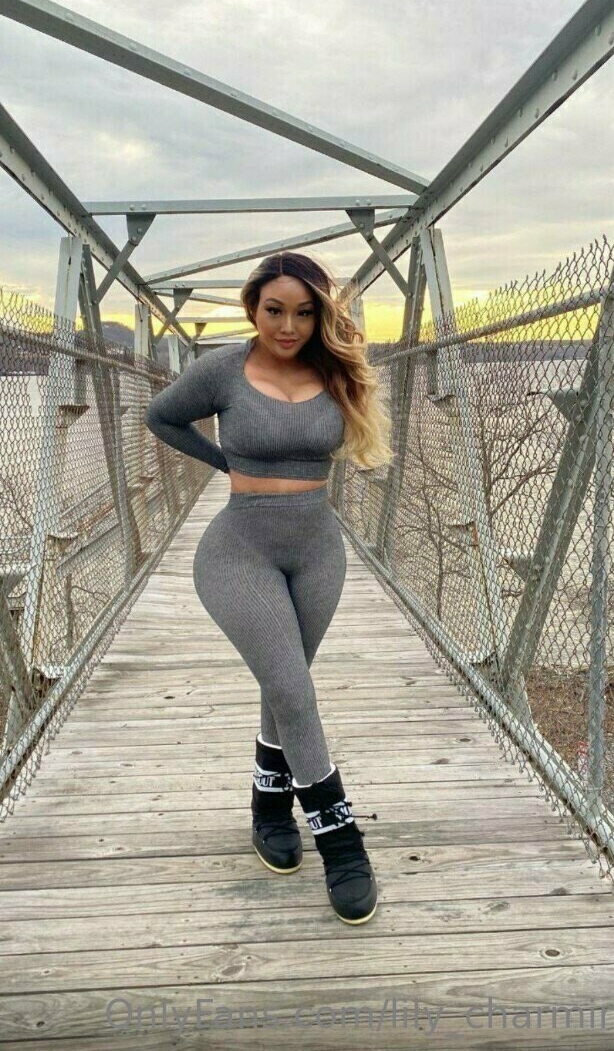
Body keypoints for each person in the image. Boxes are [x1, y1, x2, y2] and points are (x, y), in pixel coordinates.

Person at [143, 250, 393, 924]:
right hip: (239, 550)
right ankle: (341, 842)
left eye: (304, 312)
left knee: (284, 682)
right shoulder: (223, 369)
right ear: (252, 307)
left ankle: (268, 806)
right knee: (291, 687)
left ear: (320, 315)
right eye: (274, 310)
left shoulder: (331, 369)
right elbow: (160, 416)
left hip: (317, 550)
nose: (288, 326)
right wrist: (222, 461)